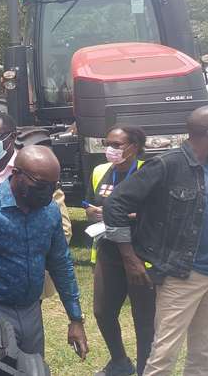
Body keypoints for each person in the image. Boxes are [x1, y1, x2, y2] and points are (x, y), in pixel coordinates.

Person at [104, 105, 208, 376]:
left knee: (203, 354)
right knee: (164, 354)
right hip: (182, 275)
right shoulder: (167, 165)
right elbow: (115, 205)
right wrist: (130, 259)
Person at [0, 146, 88, 360]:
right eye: (41, 185)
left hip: (31, 311)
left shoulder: (50, 211)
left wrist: (75, 319)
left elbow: (61, 264)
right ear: (16, 174)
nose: (48, 192)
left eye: (54, 185)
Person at [0, 112, 71, 299]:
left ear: (13, 137)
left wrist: (26, 258)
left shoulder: (37, 169)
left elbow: (62, 227)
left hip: (23, 283)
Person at [85, 125, 154, 376]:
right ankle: (120, 362)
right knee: (102, 311)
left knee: (144, 318)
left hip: (141, 254)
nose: (110, 150)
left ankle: (147, 369)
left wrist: (125, 215)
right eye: (107, 144)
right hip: (108, 250)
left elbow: (158, 211)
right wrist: (91, 212)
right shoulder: (100, 171)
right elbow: (91, 203)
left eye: (117, 145)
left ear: (134, 147)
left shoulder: (149, 172)